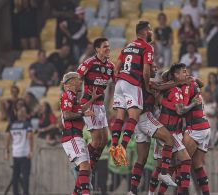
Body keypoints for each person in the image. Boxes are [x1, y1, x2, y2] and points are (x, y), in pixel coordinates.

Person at [128, 64, 190, 195]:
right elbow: (158, 88)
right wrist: (179, 82)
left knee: (142, 159)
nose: (155, 69)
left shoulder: (151, 85)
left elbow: (158, 92)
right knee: (170, 140)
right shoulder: (148, 82)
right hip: (147, 118)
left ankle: (133, 191)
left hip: (140, 121)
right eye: (153, 67)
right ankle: (164, 175)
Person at [151, 63, 201, 195]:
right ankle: (183, 192)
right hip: (169, 133)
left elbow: (158, 100)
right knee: (184, 161)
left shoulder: (167, 90)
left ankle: (153, 193)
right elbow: (180, 111)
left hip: (167, 131)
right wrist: (193, 104)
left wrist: (193, 79)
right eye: (184, 72)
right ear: (175, 76)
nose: (186, 74)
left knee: (166, 167)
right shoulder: (175, 91)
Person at [110, 21, 154, 165]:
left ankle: (114, 146)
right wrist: (146, 87)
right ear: (145, 31)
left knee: (119, 117)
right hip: (133, 84)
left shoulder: (127, 46)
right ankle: (122, 149)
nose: (152, 32)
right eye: (150, 30)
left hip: (120, 83)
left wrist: (119, 80)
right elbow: (146, 71)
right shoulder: (147, 47)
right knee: (133, 117)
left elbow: (116, 68)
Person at [76, 37, 115, 170]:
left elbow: (118, 83)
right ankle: (81, 165)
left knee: (104, 141)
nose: (108, 49)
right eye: (105, 46)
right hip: (89, 103)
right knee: (96, 140)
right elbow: (76, 79)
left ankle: (90, 167)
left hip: (101, 105)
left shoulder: (110, 66)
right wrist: (75, 101)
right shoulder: (89, 63)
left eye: (109, 46)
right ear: (97, 49)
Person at [60, 72, 101, 195]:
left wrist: (92, 100)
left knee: (86, 168)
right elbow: (67, 115)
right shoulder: (67, 95)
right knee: (84, 166)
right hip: (71, 136)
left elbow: (80, 109)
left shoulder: (73, 97)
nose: (81, 81)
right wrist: (83, 114)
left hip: (77, 136)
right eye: (78, 79)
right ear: (71, 82)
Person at [181, 77, 211, 195]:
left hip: (196, 128)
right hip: (205, 127)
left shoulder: (187, 88)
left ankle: (183, 192)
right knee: (197, 165)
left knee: (182, 161)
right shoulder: (196, 87)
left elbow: (181, 110)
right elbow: (201, 83)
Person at [5, 107, 34, 195]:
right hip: (25, 154)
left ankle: (15, 193)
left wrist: (6, 151)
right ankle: (25, 193)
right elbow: (30, 137)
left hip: (15, 153)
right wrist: (31, 151)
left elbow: (7, 138)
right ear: (25, 114)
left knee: (15, 176)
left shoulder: (12, 125)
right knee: (25, 177)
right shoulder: (27, 125)